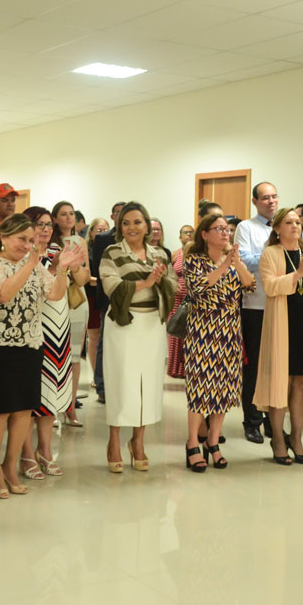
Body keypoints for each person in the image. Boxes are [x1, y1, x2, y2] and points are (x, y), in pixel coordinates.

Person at [0, 214, 75, 496]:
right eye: (21, 239)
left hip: (29, 343)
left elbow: (54, 294)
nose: (28, 245)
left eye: (31, 240)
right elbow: (2, 294)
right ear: (3, 237)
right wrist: (30, 264)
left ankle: (10, 465)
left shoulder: (33, 264)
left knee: (23, 410)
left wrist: (62, 270)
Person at [99, 202, 175, 473]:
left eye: (137, 222)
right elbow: (111, 285)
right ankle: (114, 442)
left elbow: (173, 285)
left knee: (148, 385)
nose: (132, 227)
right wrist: (147, 282)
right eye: (126, 222)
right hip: (124, 324)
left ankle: (138, 442)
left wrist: (161, 280)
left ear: (147, 226)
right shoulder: (112, 252)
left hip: (152, 324)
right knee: (122, 382)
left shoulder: (160, 254)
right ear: (120, 227)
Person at [255, 208, 303, 465]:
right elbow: (269, 286)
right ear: (277, 228)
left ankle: (296, 438)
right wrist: (297, 273)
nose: (295, 226)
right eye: (289, 222)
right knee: (281, 382)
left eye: (298, 222)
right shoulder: (270, 253)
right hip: (282, 324)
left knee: (301, 382)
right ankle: (278, 438)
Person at [181, 213, 254, 471]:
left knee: (224, 389)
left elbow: (250, 285)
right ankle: (193, 442)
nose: (225, 233)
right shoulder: (194, 260)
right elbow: (198, 288)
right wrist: (223, 267)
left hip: (229, 332)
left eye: (227, 229)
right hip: (202, 332)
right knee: (200, 389)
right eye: (219, 229)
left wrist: (236, 263)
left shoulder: (232, 259)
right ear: (205, 234)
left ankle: (213, 441)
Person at [20, 206, 81, 477]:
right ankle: (25, 453)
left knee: (51, 392)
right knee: (31, 395)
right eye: (39, 224)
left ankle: (44, 450)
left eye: (48, 224)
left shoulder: (58, 251)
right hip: (33, 328)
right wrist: (56, 267)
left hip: (59, 326)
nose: (45, 229)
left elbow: (79, 280)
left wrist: (71, 265)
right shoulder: (23, 255)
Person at [234, 181, 279, 443]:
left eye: (274, 197)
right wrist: (274, 256)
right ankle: (252, 421)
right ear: (255, 201)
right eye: (265, 198)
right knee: (254, 369)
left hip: (281, 307)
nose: (271, 202)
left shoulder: (283, 225)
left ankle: (273, 421)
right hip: (255, 307)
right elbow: (245, 261)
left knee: (276, 368)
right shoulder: (246, 227)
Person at [167, 201, 222, 381]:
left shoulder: (224, 252)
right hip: (185, 300)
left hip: (214, 309)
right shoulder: (182, 252)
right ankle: (178, 369)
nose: (189, 235)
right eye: (185, 232)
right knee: (178, 334)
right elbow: (173, 274)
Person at [51, 201, 90, 426]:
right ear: (55, 218)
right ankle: (50, 408)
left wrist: (73, 266)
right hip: (54, 299)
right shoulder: (50, 241)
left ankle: (71, 407)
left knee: (74, 356)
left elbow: (84, 277)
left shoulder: (79, 241)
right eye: (63, 214)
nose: (68, 217)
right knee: (54, 354)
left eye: (71, 213)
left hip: (76, 300)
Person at [89, 202, 126, 402]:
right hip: (108, 297)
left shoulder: (133, 236)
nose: (122, 216)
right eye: (118, 213)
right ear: (113, 216)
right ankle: (102, 386)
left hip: (132, 296)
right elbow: (98, 269)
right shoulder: (103, 239)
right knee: (105, 341)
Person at [83, 216, 109, 395]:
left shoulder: (111, 249)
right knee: (94, 337)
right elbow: (84, 277)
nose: (101, 233)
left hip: (105, 295)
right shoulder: (87, 250)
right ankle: (95, 375)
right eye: (98, 230)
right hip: (91, 296)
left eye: (104, 230)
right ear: (91, 232)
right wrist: (102, 280)